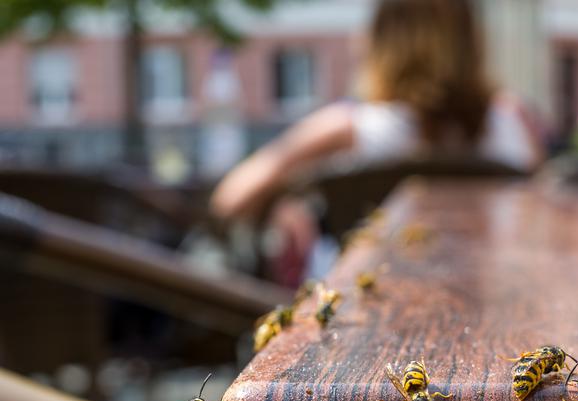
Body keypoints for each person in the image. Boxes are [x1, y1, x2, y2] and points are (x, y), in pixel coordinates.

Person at [209, 0, 543, 279]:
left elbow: (230, 199)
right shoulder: (514, 120)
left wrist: (284, 197)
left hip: (359, 314)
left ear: (380, 43)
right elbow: (544, 209)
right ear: (473, 43)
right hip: (492, 293)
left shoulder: (346, 127)